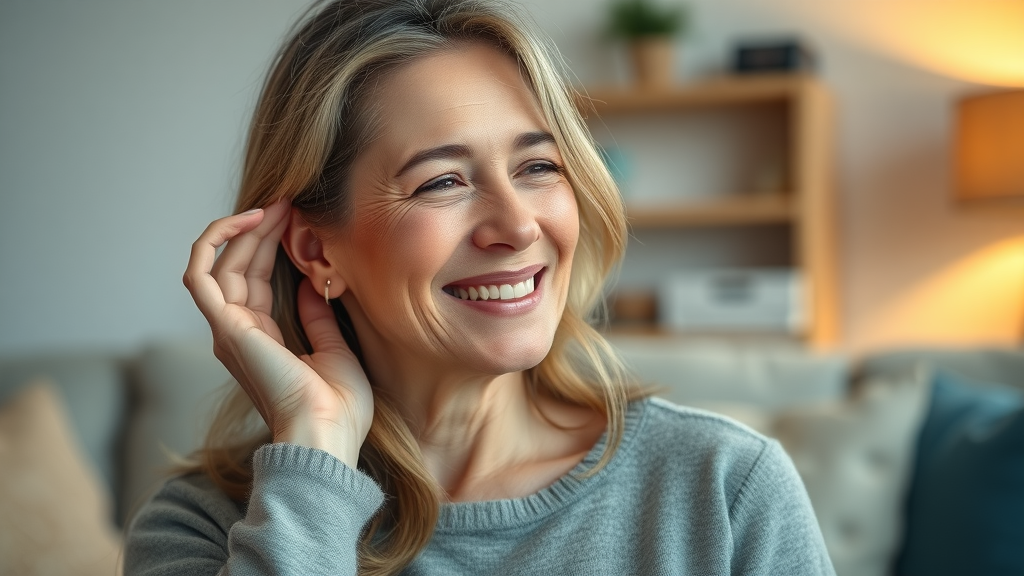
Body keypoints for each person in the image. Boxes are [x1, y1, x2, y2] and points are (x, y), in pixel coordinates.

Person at [124, 0, 836, 574]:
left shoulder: (723, 488)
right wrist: (314, 450)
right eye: (443, 181)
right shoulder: (205, 528)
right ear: (315, 250)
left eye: (538, 167)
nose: (518, 226)